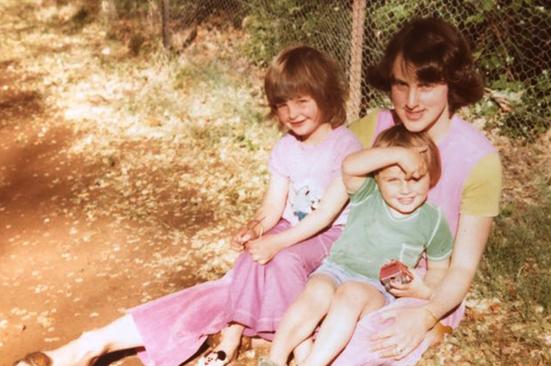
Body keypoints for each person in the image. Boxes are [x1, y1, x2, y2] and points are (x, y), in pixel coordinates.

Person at [14, 45, 361, 366]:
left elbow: (326, 215)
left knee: (262, 269)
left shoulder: (344, 145)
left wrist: (275, 243)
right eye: (282, 105)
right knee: (247, 262)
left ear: (324, 94)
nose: (291, 113)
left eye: (301, 101)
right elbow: (274, 208)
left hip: (327, 241)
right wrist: (255, 228)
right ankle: (93, 345)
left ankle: (266, 340)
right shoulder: (285, 148)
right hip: (290, 236)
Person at [332, 16, 503, 365]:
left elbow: (463, 267)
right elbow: (328, 206)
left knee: (362, 349)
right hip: (355, 267)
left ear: (451, 86)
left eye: (426, 85)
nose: (410, 101)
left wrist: (426, 315)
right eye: (400, 84)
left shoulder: (479, 159)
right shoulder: (373, 128)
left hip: (428, 288)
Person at [264, 124, 454, 366]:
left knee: (349, 294)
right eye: (394, 180)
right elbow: (349, 166)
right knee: (316, 292)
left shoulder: (433, 219)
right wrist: (398, 154)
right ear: (377, 178)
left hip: (375, 288)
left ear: (432, 175)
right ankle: (274, 359)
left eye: (416, 178)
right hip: (335, 269)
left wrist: (426, 291)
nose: (406, 189)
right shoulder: (368, 194)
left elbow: (439, 268)